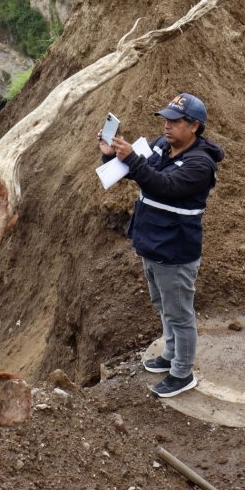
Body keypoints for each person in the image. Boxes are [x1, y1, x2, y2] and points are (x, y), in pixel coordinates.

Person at [99, 93, 224, 397]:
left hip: (175, 251)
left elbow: (164, 186)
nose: (167, 126)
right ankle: (170, 355)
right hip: (152, 244)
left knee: (180, 315)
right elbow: (138, 173)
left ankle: (182, 373)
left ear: (194, 126)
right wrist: (111, 154)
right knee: (162, 305)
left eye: (175, 121)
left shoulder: (200, 164)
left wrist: (130, 157)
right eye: (166, 120)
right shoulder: (161, 145)